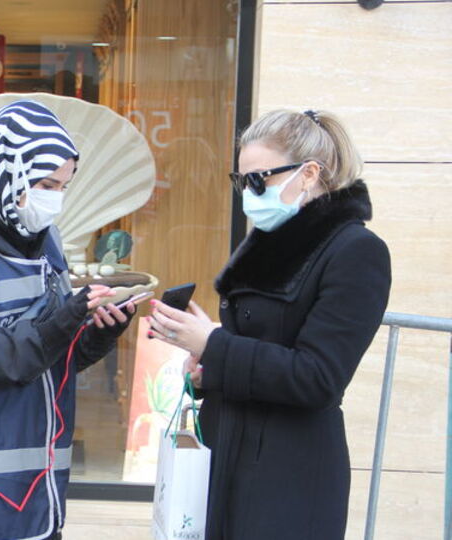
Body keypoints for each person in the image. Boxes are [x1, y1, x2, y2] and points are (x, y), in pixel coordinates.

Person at [147, 109, 391, 539]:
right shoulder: (266, 244)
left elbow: (318, 377)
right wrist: (205, 368)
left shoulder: (357, 252)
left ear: (310, 174)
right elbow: (254, 347)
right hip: (229, 456)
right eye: (241, 180)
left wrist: (216, 346)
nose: (248, 192)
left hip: (288, 473)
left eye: (259, 179)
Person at [0, 100, 138, 540]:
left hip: (37, 484)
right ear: (5, 172)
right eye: (45, 184)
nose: (53, 199)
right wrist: (60, 323)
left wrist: (97, 332)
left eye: (63, 186)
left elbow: (51, 356)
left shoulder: (44, 241)